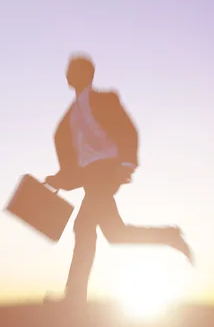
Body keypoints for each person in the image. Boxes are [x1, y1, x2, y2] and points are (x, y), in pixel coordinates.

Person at [44, 53, 193, 306]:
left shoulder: (106, 99)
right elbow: (75, 159)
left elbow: (128, 129)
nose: (66, 74)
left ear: (85, 74)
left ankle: (74, 297)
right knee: (115, 233)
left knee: (83, 227)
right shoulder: (68, 118)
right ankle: (168, 236)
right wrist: (61, 179)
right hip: (90, 175)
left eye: (71, 69)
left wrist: (126, 164)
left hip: (107, 170)